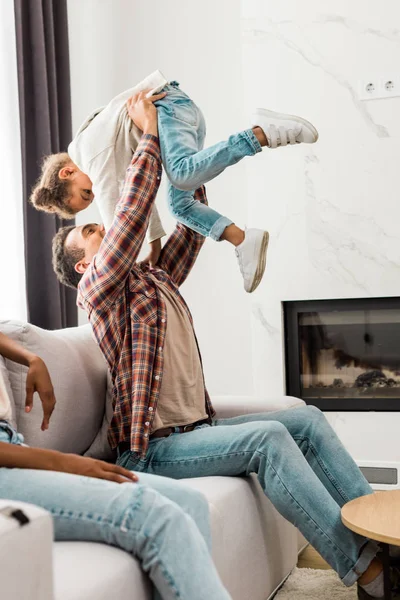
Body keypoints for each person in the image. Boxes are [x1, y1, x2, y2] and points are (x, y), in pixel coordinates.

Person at [51, 92, 392, 600]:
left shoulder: (151, 279)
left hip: (196, 429)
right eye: (91, 230)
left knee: (305, 417)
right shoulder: (97, 289)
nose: (101, 223)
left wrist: (174, 150)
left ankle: (386, 539)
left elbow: (190, 220)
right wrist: (146, 136)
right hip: (152, 449)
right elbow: (129, 219)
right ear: (82, 264)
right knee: (269, 439)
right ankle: (367, 571)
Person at [33, 70, 318, 292]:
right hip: (176, 114)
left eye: (86, 192)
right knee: (180, 204)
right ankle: (243, 240)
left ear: (67, 172)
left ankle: (261, 133)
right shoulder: (100, 153)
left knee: (182, 174)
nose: (94, 192)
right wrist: (155, 246)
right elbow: (136, 197)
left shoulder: (88, 153)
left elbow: (116, 209)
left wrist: (119, 239)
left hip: (166, 109)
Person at [0, 331, 232, 600]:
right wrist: (62, 462)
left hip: (12, 446)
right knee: (154, 515)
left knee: (189, 502)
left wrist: (31, 357)